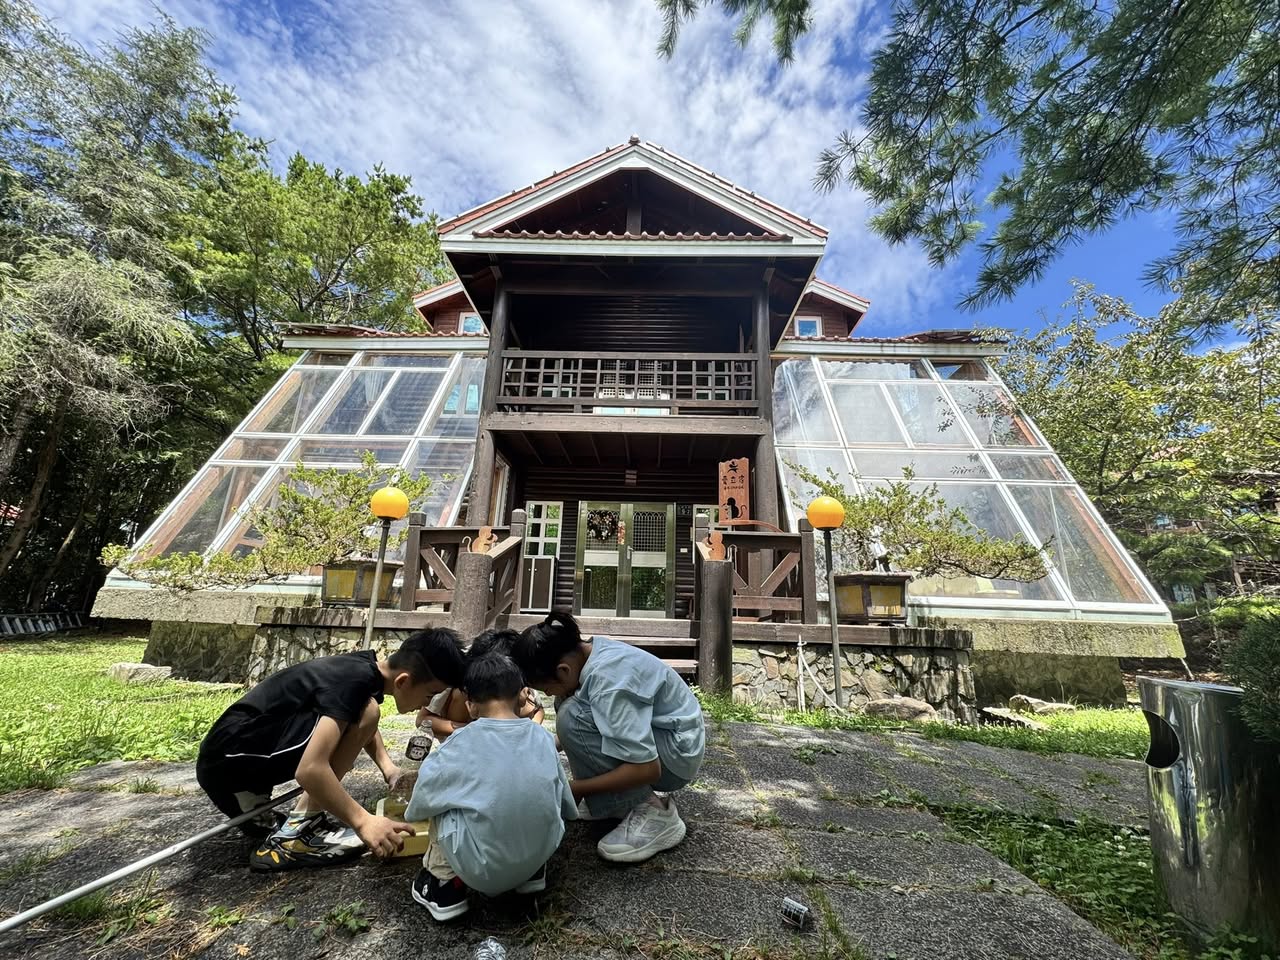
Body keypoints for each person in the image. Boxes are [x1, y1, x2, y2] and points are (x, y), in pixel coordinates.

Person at [196, 628, 466, 872]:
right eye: (429, 695)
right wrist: (363, 821)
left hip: (235, 756)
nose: (427, 702)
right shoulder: (354, 682)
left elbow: (356, 720)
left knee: (367, 710)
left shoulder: (364, 669)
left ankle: (298, 820)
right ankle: (292, 836)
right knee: (367, 710)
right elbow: (310, 769)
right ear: (403, 681)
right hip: (229, 762)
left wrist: (389, 770)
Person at [511, 611, 705, 864]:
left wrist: (575, 789)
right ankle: (611, 801)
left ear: (563, 670)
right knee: (570, 707)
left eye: (546, 688)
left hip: (675, 756)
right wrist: (544, 745)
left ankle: (654, 812)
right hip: (668, 738)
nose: (547, 693)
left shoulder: (609, 682)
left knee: (572, 716)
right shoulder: (590, 652)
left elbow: (647, 768)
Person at [406, 651, 575, 921]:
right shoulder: (542, 737)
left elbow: (419, 805)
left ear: (471, 705)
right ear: (522, 695)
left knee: (443, 801)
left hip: (481, 871)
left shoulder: (456, 745)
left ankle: (442, 886)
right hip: (539, 852)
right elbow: (566, 804)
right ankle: (531, 874)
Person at [416, 629, 544, 741]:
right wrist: (475, 730)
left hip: (506, 738)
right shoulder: (458, 675)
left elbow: (538, 709)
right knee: (461, 694)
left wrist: (529, 731)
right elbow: (422, 719)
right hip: (464, 736)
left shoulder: (517, 671)